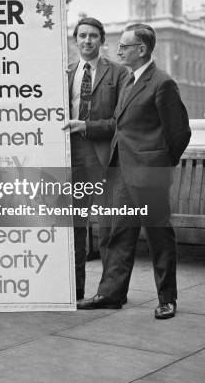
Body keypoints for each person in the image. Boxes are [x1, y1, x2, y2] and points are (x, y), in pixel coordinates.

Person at [78, 23, 191, 319]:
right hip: (123, 172)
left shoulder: (163, 83)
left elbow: (180, 133)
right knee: (119, 234)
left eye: (124, 46)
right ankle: (110, 294)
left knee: (158, 237)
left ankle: (167, 298)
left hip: (149, 174)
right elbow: (121, 125)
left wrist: (160, 167)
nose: (118, 51)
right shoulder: (129, 80)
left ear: (141, 50)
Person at [62, 17, 127, 301]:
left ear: (102, 41)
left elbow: (121, 121)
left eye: (93, 37)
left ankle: (110, 292)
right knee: (74, 224)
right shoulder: (65, 74)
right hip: (72, 156)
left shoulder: (118, 74)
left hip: (104, 156)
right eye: (82, 36)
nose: (87, 41)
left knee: (108, 225)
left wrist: (87, 126)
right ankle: (75, 289)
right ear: (75, 40)